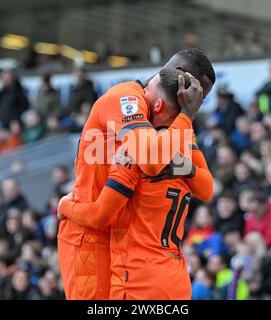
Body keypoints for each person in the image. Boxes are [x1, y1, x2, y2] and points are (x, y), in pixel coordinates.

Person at [57, 48, 216, 300]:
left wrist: (181, 162)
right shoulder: (126, 98)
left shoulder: (171, 127)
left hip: (119, 239)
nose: (193, 99)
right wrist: (185, 121)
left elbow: (204, 188)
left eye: (199, 98)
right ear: (181, 79)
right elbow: (154, 161)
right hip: (89, 234)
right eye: (195, 93)